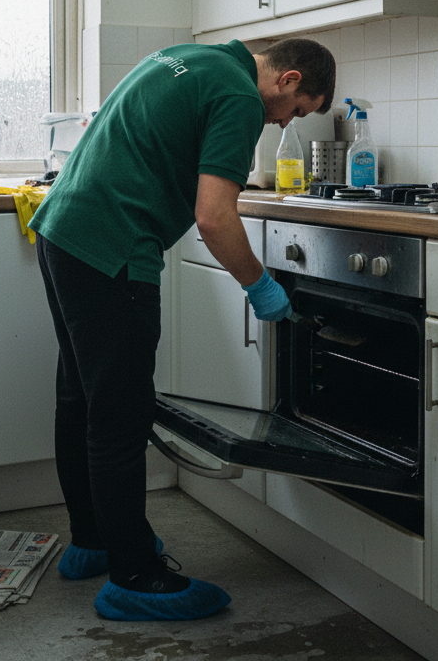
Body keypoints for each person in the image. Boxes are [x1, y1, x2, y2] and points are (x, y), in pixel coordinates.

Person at [29, 37, 335, 622]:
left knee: (83, 399)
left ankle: (94, 540)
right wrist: (259, 284)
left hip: (65, 232)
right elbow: (214, 216)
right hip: (113, 247)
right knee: (119, 415)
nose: (281, 123)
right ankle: (135, 576)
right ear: (288, 80)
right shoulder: (241, 97)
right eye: (294, 111)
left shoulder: (196, 57)